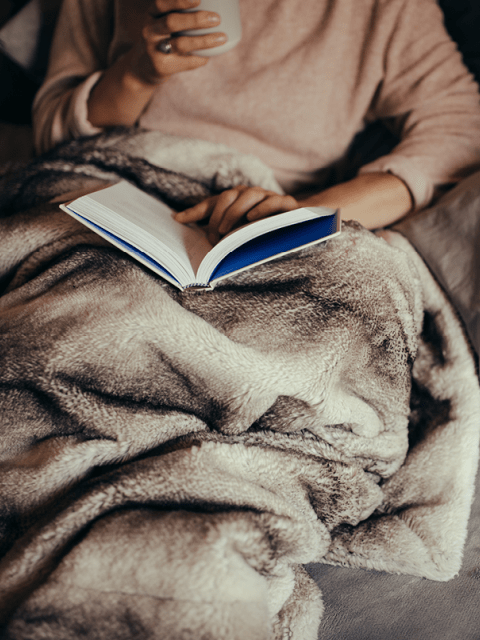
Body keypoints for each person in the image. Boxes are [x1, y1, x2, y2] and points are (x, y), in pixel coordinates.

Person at [33, 0, 480, 244]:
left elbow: (461, 133)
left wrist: (307, 214)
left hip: (259, 225)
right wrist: (135, 74)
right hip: (113, 192)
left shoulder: (382, 11)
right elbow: (48, 134)